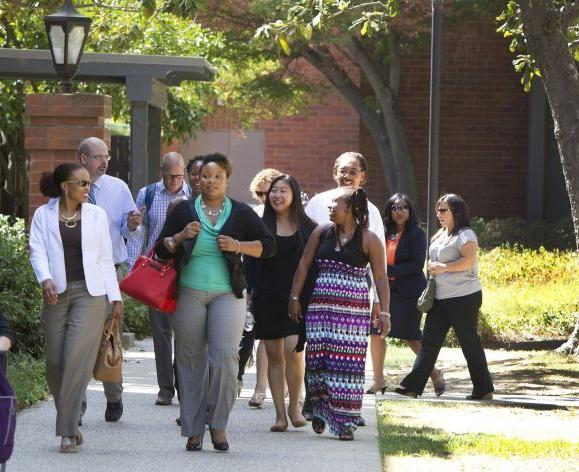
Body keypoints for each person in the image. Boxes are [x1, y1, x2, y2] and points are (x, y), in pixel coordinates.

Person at [154, 153, 276, 452]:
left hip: (227, 294)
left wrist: (238, 246)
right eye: (205, 176)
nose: (210, 181)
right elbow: (161, 249)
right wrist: (180, 236)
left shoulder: (241, 213)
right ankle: (193, 428)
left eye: (217, 176)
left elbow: (269, 246)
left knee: (224, 357)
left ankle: (218, 423)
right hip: (189, 292)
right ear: (197, 179)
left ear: (227, 179)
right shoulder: (183, 210)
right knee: (190, 359)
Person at [29, 163, 122, 453]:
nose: (87, 187)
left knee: (74, 357)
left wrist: (115, 297)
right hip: (56, 293)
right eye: (81, 183)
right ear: (64, 187)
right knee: (55, 362)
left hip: (91, 294)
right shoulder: (43, 215)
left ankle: (68, 430)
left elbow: (106, 259)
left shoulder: (96, 215)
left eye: (88, 183)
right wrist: (45, 280)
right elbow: (37, 250)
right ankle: (70, 418)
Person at [289, 187, 391, 441]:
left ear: (352, 210)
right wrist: (294, 297)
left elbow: (380, 276)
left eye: (336, 204)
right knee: (318, 359)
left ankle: (345, 420)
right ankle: (320, 411)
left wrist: (385, 311)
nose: (330, 207)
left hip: (353, 314)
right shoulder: (322, 232)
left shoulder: (368, 239)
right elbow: (304, 264)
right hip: (320, 308)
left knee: (347, 363)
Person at [304, 151, 386, 421]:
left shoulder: (371, 211)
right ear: (334, 172)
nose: (347, 175)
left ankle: (347, 408)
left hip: (352, 298)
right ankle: (319, 407)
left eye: (353, 171)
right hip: (319, 291)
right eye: (343, 170)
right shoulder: (317, 203)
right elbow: (305, 249)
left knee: (348, 354)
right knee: (318, 352)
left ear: (363, 177)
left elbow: (377, 263)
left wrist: (378, 302)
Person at [395, 194, 494, 400]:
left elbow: (469, 261)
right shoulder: (440, 235)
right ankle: (412, 387)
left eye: (443, 210)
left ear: (456, 212)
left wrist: (444, 267)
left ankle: (484, 389)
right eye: (437, 210)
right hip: (439, 299)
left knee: (469, 342)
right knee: (429, 342)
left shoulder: (466, 235)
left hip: (464, 297)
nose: (438, 214)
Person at [78, 137, 141, 422]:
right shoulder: (67, 187)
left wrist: (131, 225)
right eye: (98, 157)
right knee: (77, 340)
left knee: (109, 336)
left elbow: (129, 232)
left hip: (109, 272)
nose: (104, 161)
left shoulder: (118, 188)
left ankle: (113, 396)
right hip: (76, 272)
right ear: (82, 159)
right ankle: (74, 406)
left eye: (107, 156)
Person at [251, 175, 316, 432]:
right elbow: (250, 263)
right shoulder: (259, 226)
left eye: (283, 191)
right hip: (266, 298)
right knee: (273, 355)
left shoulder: (308, 228)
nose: (277, 196)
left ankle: (294, 407)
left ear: (294, 195)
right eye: (274, 191)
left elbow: (314, 265)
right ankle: (279, 414)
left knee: (294, 351)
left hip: (296, 300)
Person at [127, 152, 191, 406]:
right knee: (161, 332)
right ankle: (165, 388)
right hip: (157, 269)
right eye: (169, 175)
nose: (175, 180)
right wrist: (134, 227)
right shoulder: (148, 194)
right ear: (160, 171)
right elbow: (138, 232)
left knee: (186, 331)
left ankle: (183, 384)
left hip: (187, 269)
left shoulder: (194, 196)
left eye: (178, 175)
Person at [375, 193, 445, 395]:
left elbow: (416, 265)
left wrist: (387, 272)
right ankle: (378, 380)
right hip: (385, 292)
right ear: (389, 211)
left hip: (409, 292)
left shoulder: (416, 234)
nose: (400, 211)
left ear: (410, 211)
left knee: (411, 336)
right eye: (395, 208)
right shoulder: (382, 232)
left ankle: (434, 373)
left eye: (404, 207)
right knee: (377, 333)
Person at [243, 168, 283, 408]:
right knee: (263, 337)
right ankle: (260, 388)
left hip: (286, 282)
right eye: (259, 193)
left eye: (268, 192)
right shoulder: (254, 215)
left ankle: (290, 389)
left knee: (290, 341)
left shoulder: (292, 217)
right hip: (261, 281)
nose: (264, 198)